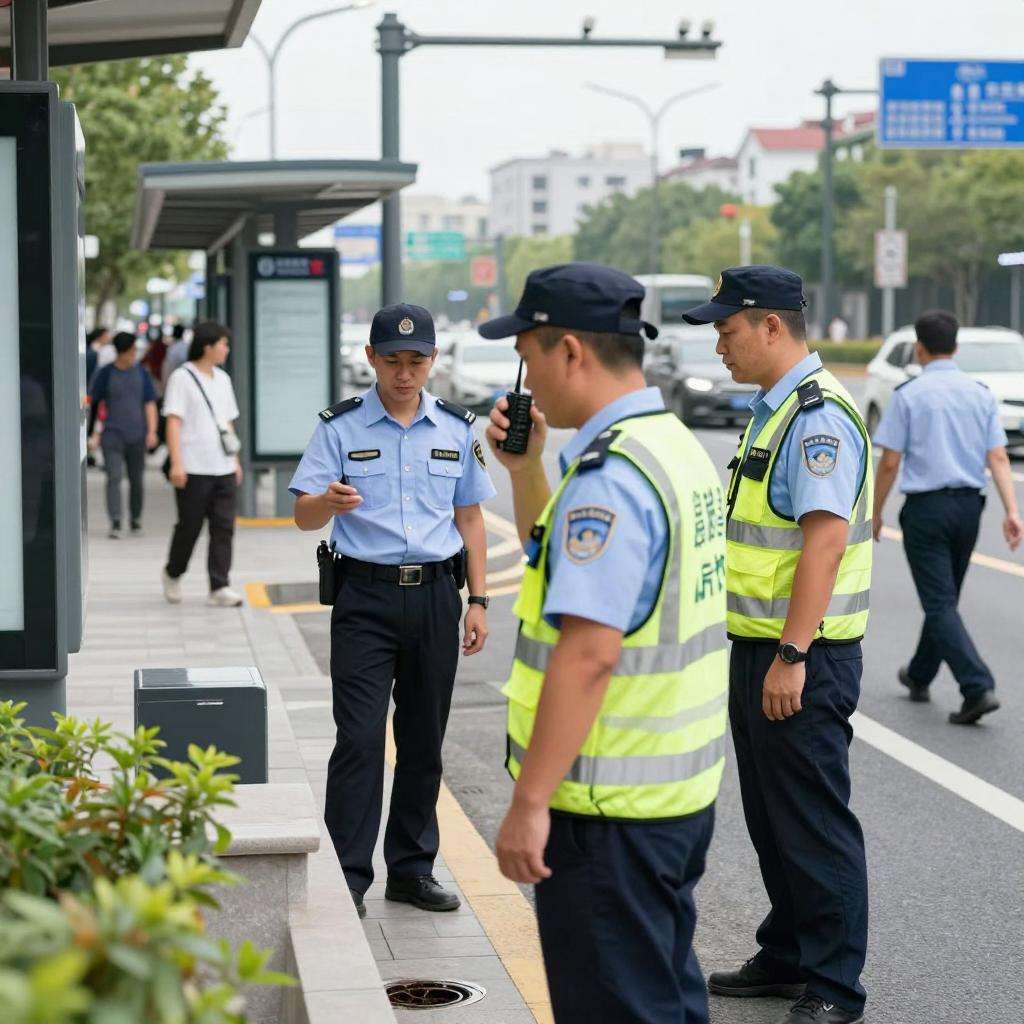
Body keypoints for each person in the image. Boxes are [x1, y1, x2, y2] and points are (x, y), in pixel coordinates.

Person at [483, 263, 728, 1024]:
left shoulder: (611, 474)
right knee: (663, 996)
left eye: (527, 355)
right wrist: (527, 470)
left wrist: (529, 804)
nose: (528, 380)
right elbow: (557, 562)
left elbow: (588, 653)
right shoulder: (671, 448)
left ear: (569, 353)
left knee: (618, 1008)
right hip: (671, 797)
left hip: (606, 809)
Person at [682, 266, 871, 1024]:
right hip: (759, 646)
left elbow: (823, 544)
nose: (721, 346)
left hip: (803, 657)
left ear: (769, 325)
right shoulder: (776, 411)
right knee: (772, 812)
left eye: (727, 331)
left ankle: (834, 984)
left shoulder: (815, 418)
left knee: (813, 818)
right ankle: (789, 950)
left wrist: (793, 655)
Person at [289, 302, 495, 920]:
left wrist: (478, 600)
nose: (404, 374)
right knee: (357, 739)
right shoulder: (340, 428)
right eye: (392, 361)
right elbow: (301, 514)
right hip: (364, 599)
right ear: (371, 359)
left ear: (433, 361)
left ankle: (411, 870)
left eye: (416, 361)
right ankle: (347, 876)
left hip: (436, 596)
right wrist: (325, 500)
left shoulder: (457, 429)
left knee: (423, 740)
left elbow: (470, 518)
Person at [872, 309, 1023, 724]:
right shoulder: (980, 393)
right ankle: (919, 674)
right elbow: (997, 456)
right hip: (969, 509)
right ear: (956, 347)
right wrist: (1012, 510)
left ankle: (976, 686)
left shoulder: (909, 395)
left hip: (926, 510)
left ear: (919, 348)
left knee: (939, 601)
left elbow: (889, 463)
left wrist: (876, 511)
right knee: (946, 598)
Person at [161, 321, 244, 607]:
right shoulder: (182, 378)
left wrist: (235, 461)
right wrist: (177, 463)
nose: (226, 349)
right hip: (193, 467)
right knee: (190, 526)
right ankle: (173, 572)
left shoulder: (223, 379)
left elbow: (228, 423)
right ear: (208, 346)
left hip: (223, 466)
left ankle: (219, 585)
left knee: (224, 527)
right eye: (223, 344)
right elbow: (174, 420)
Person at [88, 331, 158, 539]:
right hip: (112, 435)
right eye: (132, 351)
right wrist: (93, 434)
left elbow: (149, 404)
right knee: (114, 477)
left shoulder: (142, 373)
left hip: (137, 435)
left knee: (137, 479)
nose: (134, 355)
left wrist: (152, 431)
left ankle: (135, 519)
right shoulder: (105, 373)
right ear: (123, 352)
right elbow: (93, 403)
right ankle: (116, 521)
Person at [162, 323, 191, 391]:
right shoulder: (187, 347)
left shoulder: (172, 349)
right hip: (186, 382)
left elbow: (168, 368)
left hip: (175, 382)